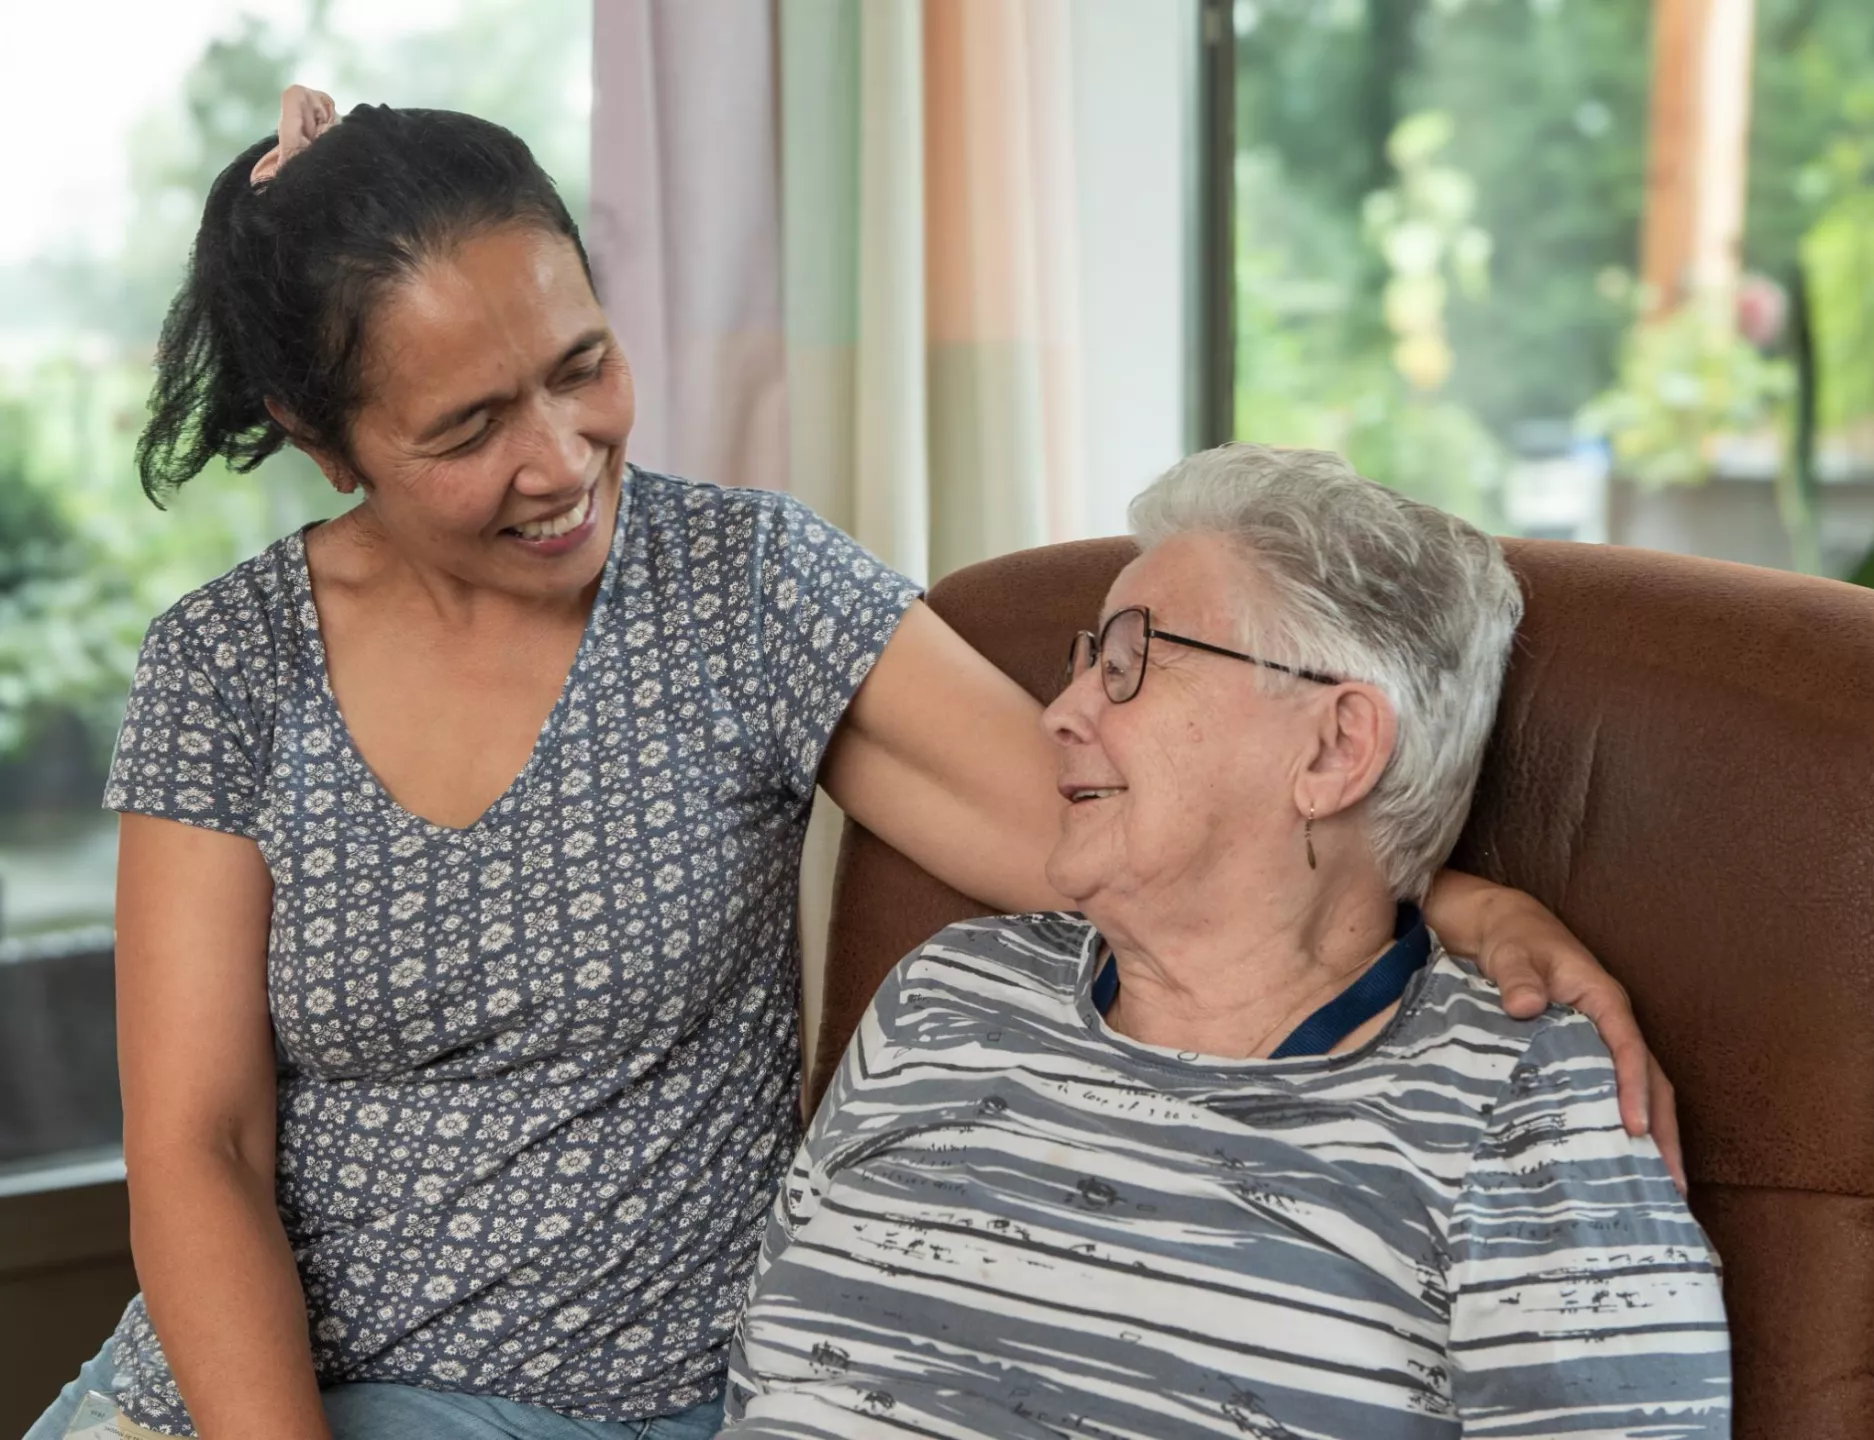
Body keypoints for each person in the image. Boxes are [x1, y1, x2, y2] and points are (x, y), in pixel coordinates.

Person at [28, 90, 1677, 1440]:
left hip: (628, 1399)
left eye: (582, 364)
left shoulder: (745, 589)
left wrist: (1447, 890)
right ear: (325, 444)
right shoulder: (231, 662)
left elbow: (1107, 828)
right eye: (468, 431)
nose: (562, 459)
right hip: (256, 1401)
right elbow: (201, 1148)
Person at [723, 446, 1730, 1438]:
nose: (1061, 715)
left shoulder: (1520, 1108)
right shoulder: (946, 993)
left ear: (1334, 750)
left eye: (1128, 666)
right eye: (1084, 666)